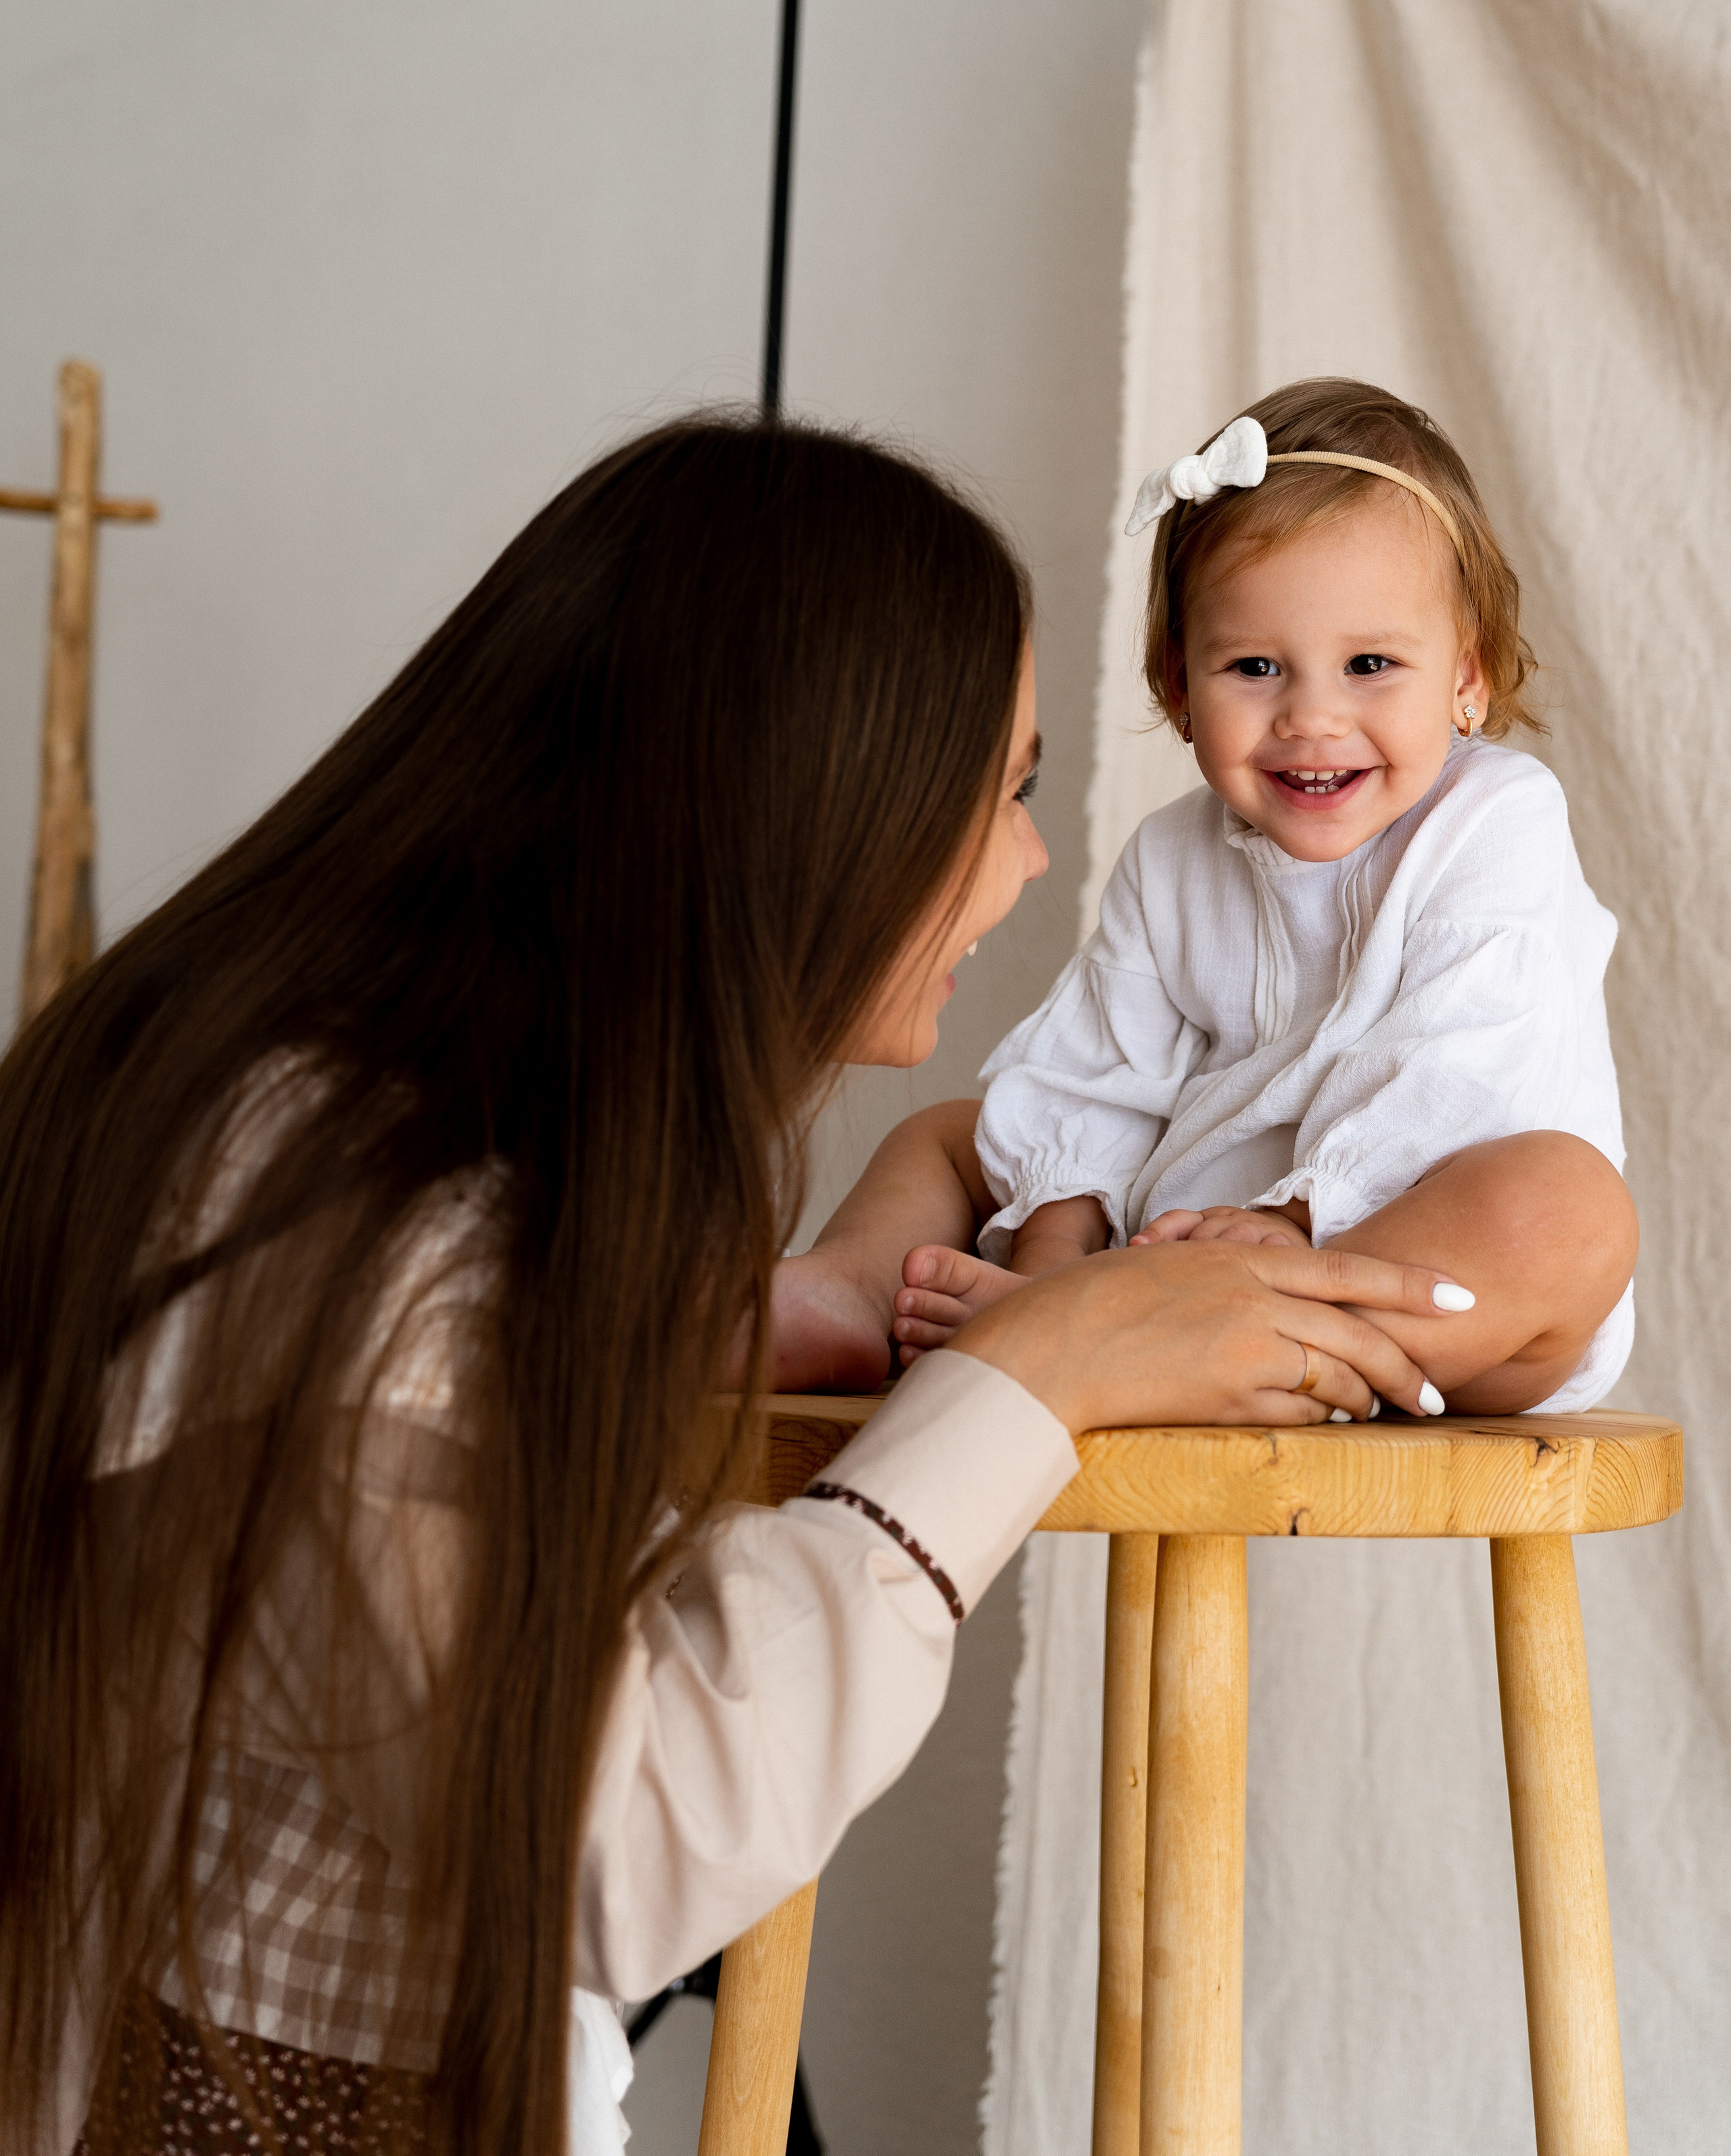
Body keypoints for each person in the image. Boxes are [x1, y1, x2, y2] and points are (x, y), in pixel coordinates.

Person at [0, 410, 1585, 2156]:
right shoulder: (351, 1205)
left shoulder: (337, 1133)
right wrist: (1029, 1383)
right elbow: (621, 1841)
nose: (1030, 865)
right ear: (813, 801)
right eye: (1003, 793)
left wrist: (775, 1308)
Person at [872, 380, 1636, 1417]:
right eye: (1256, 667)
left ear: (1469, 675)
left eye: (1371, 664)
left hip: (1406, 1258)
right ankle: (905, 1297)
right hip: (1181, 1240)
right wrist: (1054, 1260)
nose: (1312, 718)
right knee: (956, 1134)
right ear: (1179, 687)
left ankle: (1192, 1348)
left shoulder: (1499, 819)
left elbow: (1467, 1063)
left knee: (1572, 1208)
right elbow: (1094, 1071)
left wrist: (1297, 1223)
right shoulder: (1172, 856)